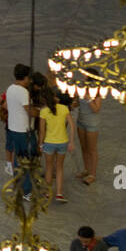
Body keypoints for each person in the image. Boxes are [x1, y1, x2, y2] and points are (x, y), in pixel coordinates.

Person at [34, 76, 73, 204]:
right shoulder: (64, 108)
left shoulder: (44, 112)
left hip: (49, 143)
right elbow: (72, 126)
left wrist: (40, 145)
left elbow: (42, 131)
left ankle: (47, 193)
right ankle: (59, 193)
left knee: (49, 168)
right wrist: (71, 141)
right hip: (62, 142)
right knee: (60, 168)